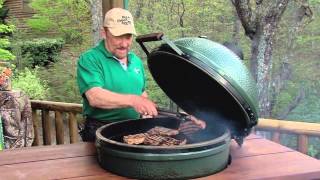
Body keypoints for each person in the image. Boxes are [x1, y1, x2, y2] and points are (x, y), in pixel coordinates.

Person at [77, 8, 204, 142]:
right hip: (100, 130)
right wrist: (134, 100)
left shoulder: (136, 61)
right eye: (118, 36)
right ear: (105, 32)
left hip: (134, 128)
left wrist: (181, 118)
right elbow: (95, 97)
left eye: (128, 36)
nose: (124, 44)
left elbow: (141, 94)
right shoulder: (90, 59)